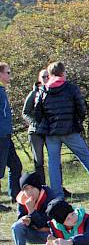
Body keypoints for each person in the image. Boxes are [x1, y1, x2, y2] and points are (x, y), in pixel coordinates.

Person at [34, 62, 89, 199]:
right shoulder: (71, 88)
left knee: (53, 164)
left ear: (50, 74)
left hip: (52, 133)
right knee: (85, 157)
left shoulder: (43, 90)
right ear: (63, 72)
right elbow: (81, 108)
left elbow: (38, 113)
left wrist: (48, 123)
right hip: (70, 130)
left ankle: (57, 195)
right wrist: (77, 121)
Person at [0, 62, 23, 212]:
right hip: (0, 135)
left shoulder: (2, 90)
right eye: (7, 73)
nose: (10, 75)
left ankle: (15, 195)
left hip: (6, 135)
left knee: (15, 165)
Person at [11, 171, 55, 245]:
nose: (30, 192)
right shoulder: (23, 199)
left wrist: (31, 210)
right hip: (34, 232)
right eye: (26, 189)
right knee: (17, 226)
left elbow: (45, 223)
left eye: (32, 187)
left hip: (50, 234)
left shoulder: (49, 197)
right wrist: (27, 220)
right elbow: (21, 217)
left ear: (38, 188)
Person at [22, 69, 49, 183]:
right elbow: (25, 112)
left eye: (48, 76)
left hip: (50, 131)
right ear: (39, 79)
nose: (46, 79)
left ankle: (58, 188)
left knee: (54, 160)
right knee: (39, 161)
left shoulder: (54, 91)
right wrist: (34, 123)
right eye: (43, 77)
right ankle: (41, 187)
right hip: (35, 132)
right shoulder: (33, 93)